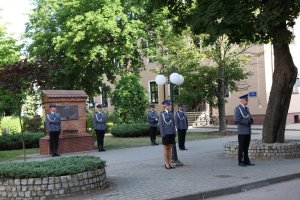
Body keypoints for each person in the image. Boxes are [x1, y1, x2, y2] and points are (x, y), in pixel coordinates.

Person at [234, 94, 255, 167]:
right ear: (242, 100)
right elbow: (237, 119)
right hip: (242, 131)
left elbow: (248, 117)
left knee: (246, 147)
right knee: (241, 147)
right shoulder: (238, 108)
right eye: (246, 100)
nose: (247, 101)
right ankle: (240, 161)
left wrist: (251, 120)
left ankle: (246, 161)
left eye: (247, 100)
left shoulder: (246, 108)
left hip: (247, 131)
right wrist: (247, 122)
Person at [159, 100, 176, 169]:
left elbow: (173, 124)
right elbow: (161, 125)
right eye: (168, 105)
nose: (169, 106)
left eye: (170, 105)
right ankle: (166, 163)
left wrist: (174, 132)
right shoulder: (162, 114)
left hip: (171, 133)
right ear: (165, 106)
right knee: (166, 148)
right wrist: (163, 134)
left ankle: (170, 162)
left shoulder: (171, 113)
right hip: (166, 133)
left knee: (170, 148)